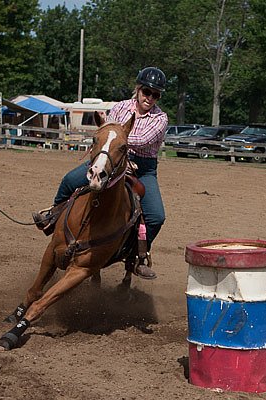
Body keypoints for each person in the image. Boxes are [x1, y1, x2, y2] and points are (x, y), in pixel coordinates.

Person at [33, 67, 169, 280]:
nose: (150, 98)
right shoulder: (120, 107)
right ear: (138, 89)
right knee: (69, 180)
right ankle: (53, 215)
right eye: (147, 92)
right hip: (110, 159)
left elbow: (141, 140)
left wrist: (114, 138)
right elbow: (107, 130)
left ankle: (138, 255)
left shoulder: (160, 118)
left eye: (156, 94)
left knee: (156, 216)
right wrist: (112, 141)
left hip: (142, 168)